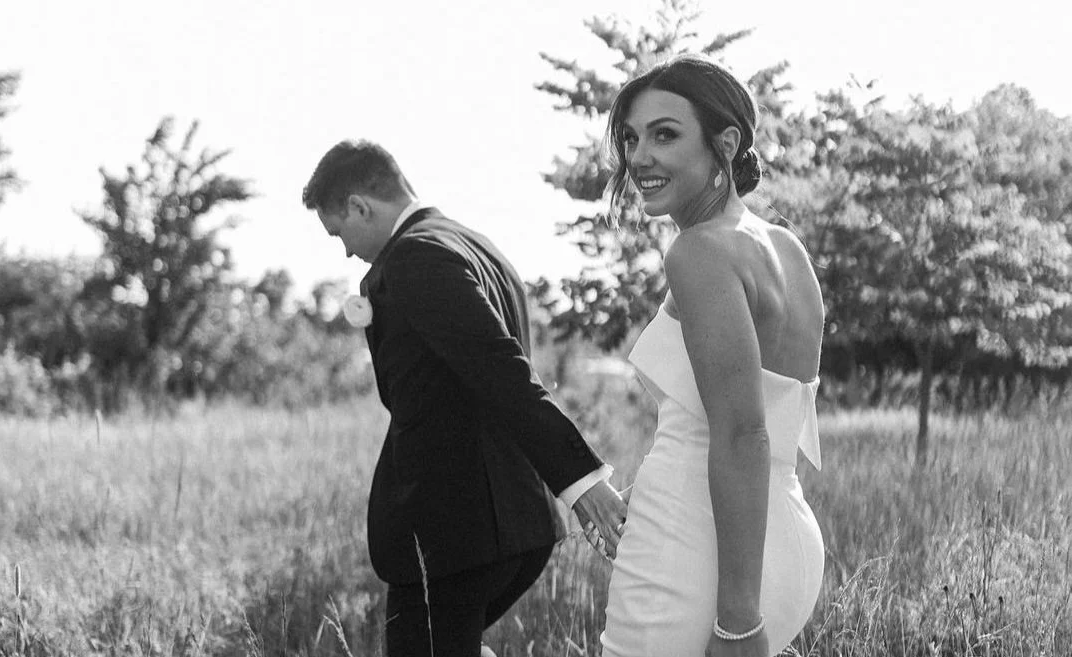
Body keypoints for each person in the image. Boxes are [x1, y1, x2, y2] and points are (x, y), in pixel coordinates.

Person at [301, 140, 627, 657]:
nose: (345, 251)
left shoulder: (415, 257)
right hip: (513, 525)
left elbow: (503, 372)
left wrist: (582, 479)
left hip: (458, 534)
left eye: (339, 232)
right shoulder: (475, 244)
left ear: (360, 206)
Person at [594, 54, 826, 657]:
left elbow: (744, 434)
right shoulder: (787, 250)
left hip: (698, 553)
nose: (639, 156)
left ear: (725, 143)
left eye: (665, 134)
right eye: (631, 138)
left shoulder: (698, 252)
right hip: (785, 542)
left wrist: (738, 620)